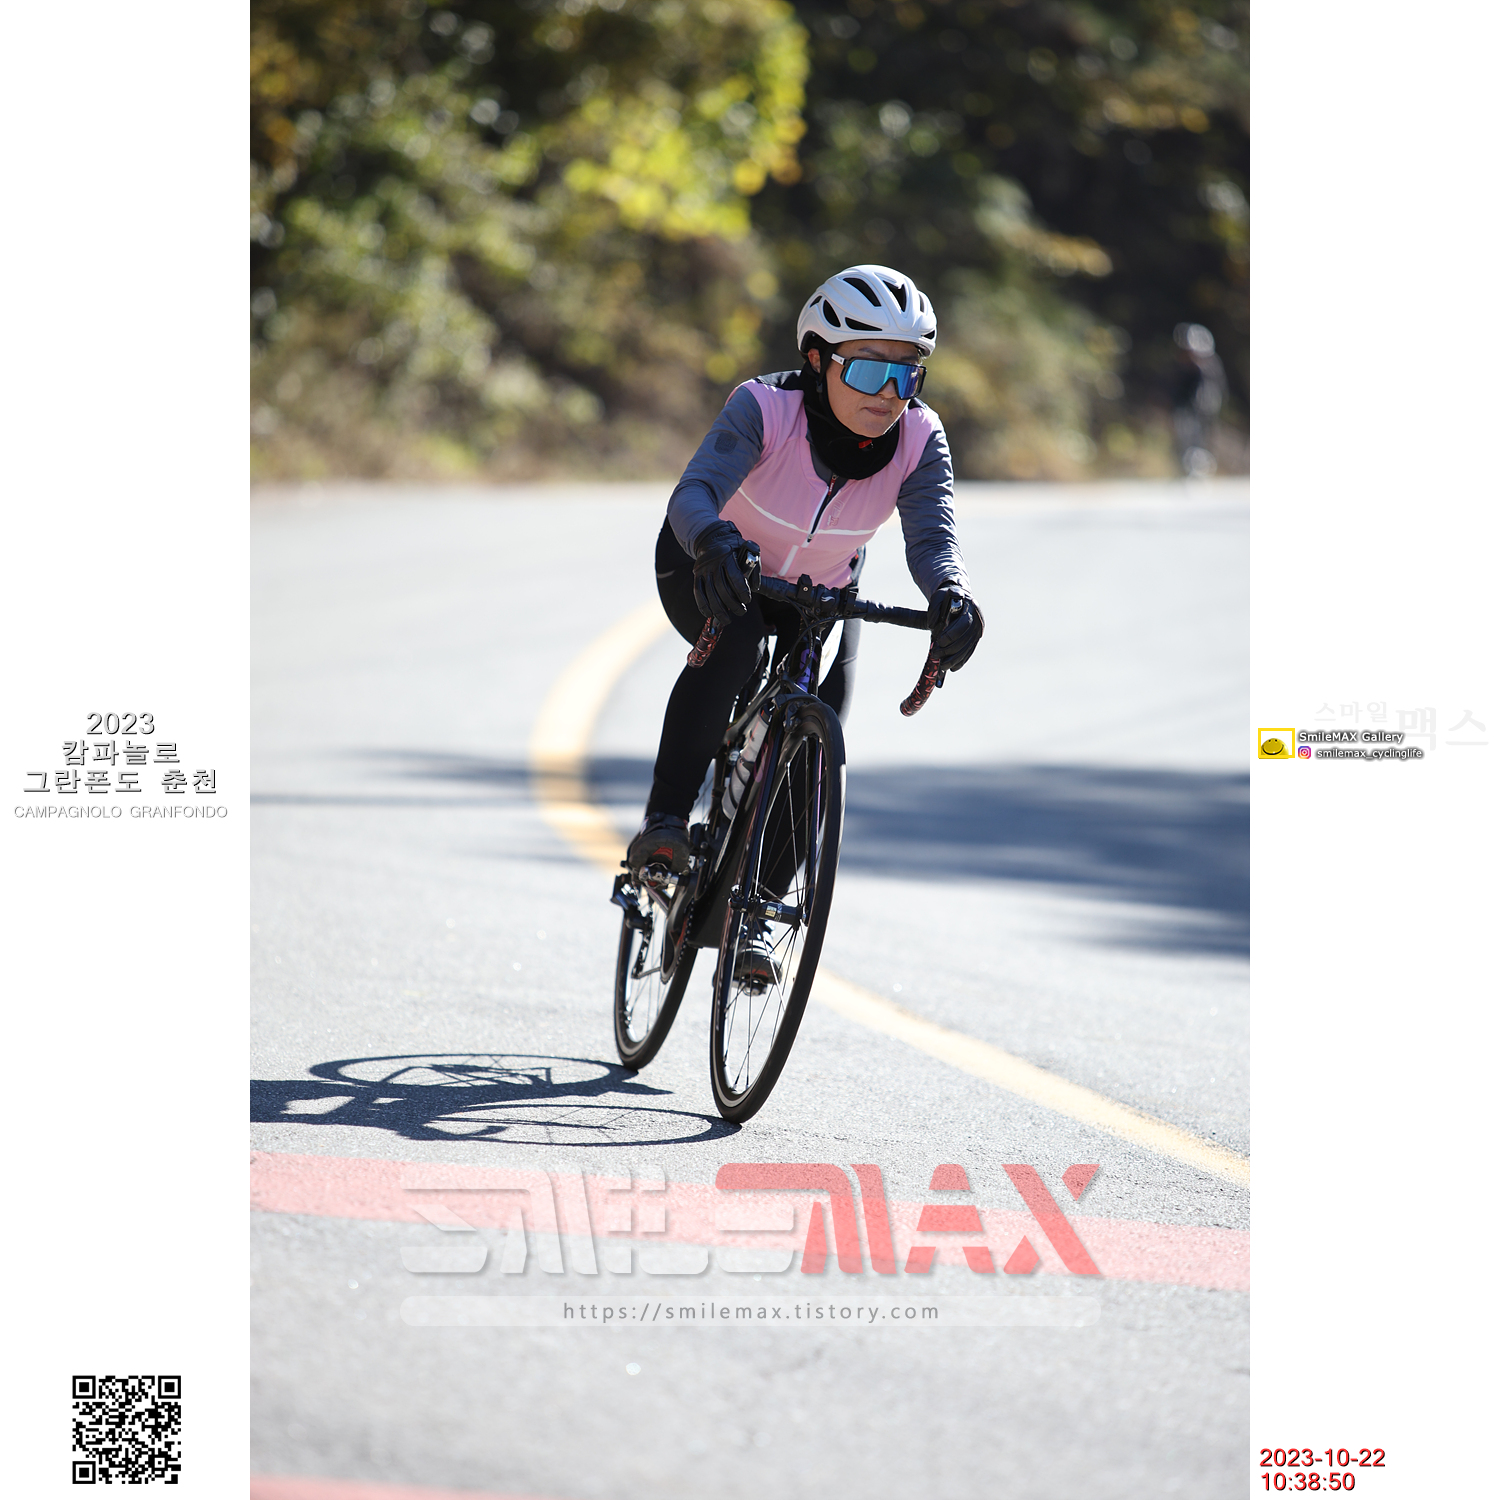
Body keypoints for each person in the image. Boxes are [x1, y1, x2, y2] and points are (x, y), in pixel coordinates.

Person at [626, 264, 985, 908]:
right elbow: (695, 492)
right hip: (711, 564)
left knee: (821, 729)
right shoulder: (765, 408)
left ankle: (762, 908)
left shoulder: (920, 437)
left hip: (819, 593)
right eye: (869, 370)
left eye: (907, 375)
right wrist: (713, 541)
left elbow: (933, 538)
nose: (890, 394)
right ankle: (666, 824)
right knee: (734, 647)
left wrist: (950, 593)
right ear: (817, 359)